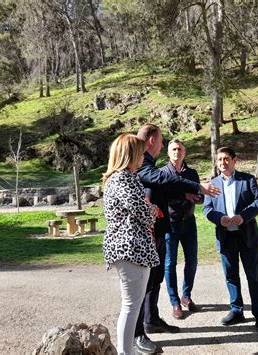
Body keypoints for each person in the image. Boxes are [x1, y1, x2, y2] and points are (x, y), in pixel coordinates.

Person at [134, 124, 221, 354]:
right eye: (161, 141)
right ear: (151, 141)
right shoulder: (141, 163)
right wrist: (197, 187)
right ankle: (137, 334)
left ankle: (151, 319)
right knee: (141, 285)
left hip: (161, 229)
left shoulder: (150, 164)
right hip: (148, 233)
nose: (163, 146)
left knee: (155, 277)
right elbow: (163, 181)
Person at [203, 146, 258, 336]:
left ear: (234, 161)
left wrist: (243, 216)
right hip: (225, 237)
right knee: (231, 276)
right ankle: (236, 310)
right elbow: (207, 209)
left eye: (226, 159)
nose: (222, 163)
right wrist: (220, 219)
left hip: (247, 236)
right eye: (219, 160)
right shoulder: (213, 183)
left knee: (253, 277)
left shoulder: (247, 179)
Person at [102, 134, 159, 355]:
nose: (144, 156)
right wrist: (152, 210)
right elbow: (144, 212)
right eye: (141, 152)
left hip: (134, 248)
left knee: (132, 305)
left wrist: (150, 210)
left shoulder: (124, 179)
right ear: (130, 154)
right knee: (131, 306)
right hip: (130, 248)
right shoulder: (123, 179)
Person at [160, 139, 203, 320]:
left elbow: (201, 197)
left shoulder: (191, 173)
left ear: (184, 153)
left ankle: (186, 296)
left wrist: (197, 198)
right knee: (170, 264)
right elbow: (162, 197)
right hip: (170, 223)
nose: (177, 152)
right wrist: (184, 195)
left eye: (180, 149)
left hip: (189, 222)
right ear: (169, 153)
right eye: (174, 149)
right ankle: (175, 302)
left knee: (192, 261)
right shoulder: (162, 173)